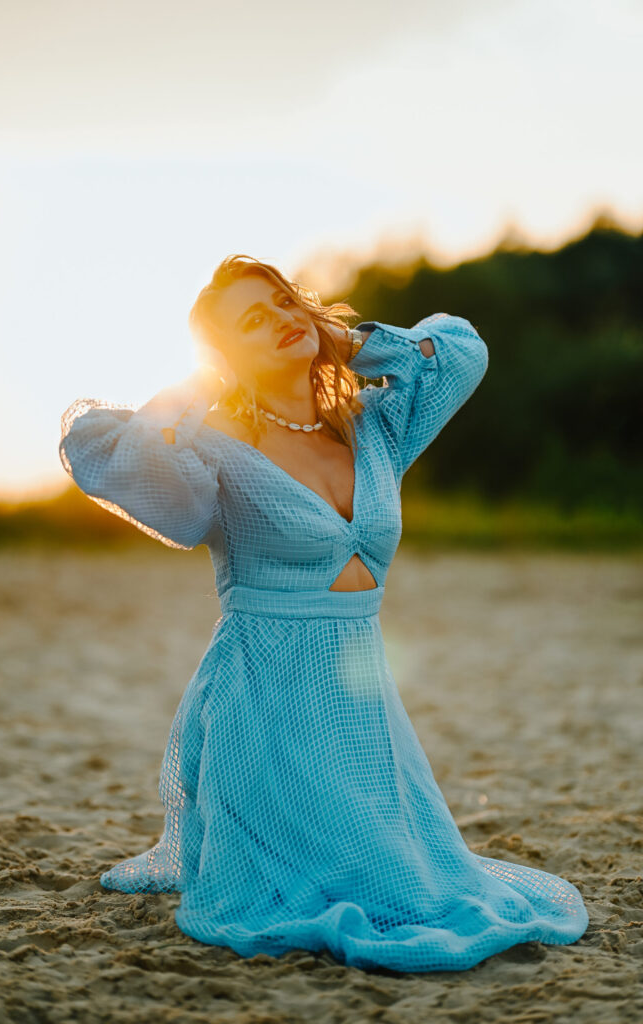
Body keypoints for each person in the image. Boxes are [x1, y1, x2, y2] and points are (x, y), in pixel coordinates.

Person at [58, 253, 588, 972]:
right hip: (264, 705)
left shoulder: (375, 428)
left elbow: (461, 352)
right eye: (253, 320)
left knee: (419, 883)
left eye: (283, 302)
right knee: (348, 892)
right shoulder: (212, 451)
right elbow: (122, 463)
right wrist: (198, 391)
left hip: (363, 706)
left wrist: (353, 342)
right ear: (224, 357)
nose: (280, 319)